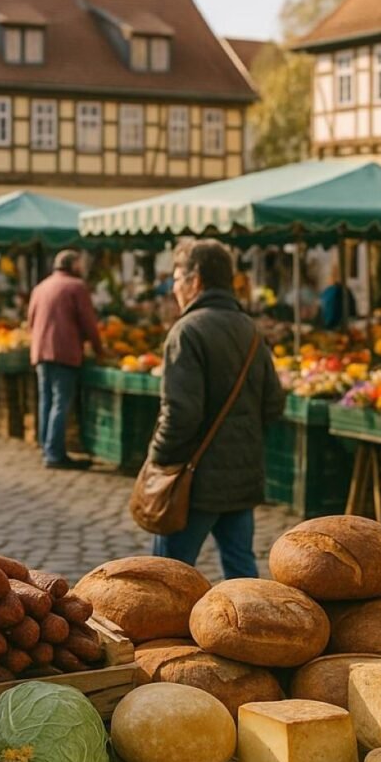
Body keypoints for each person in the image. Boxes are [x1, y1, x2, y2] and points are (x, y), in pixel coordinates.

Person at [148, 239, 284, 578]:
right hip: (242, 476)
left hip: (196, 481)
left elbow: (180, 414)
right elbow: (274, 403)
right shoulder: (250, 329)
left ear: (195, 281)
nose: (173, 288)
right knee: (242, 572)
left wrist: (158, 458)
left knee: (167, 578)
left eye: (176, 279)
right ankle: (251, 615)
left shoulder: (187, 331)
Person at [27, 249, 103, 470]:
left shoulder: (41, 287)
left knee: (46, 400)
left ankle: (47, 447)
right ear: (74, 265)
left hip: (41, 352)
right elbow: (88, 323)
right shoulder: (76, 287)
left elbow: (30, 320)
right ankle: (54, 454)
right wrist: (99, 349)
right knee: (60, 402)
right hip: (64, 352)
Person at [319, 262, 358, 330]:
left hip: (332, 327)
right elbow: (353, 313)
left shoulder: (329, 292)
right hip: (343, 326)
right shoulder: (345, 291)